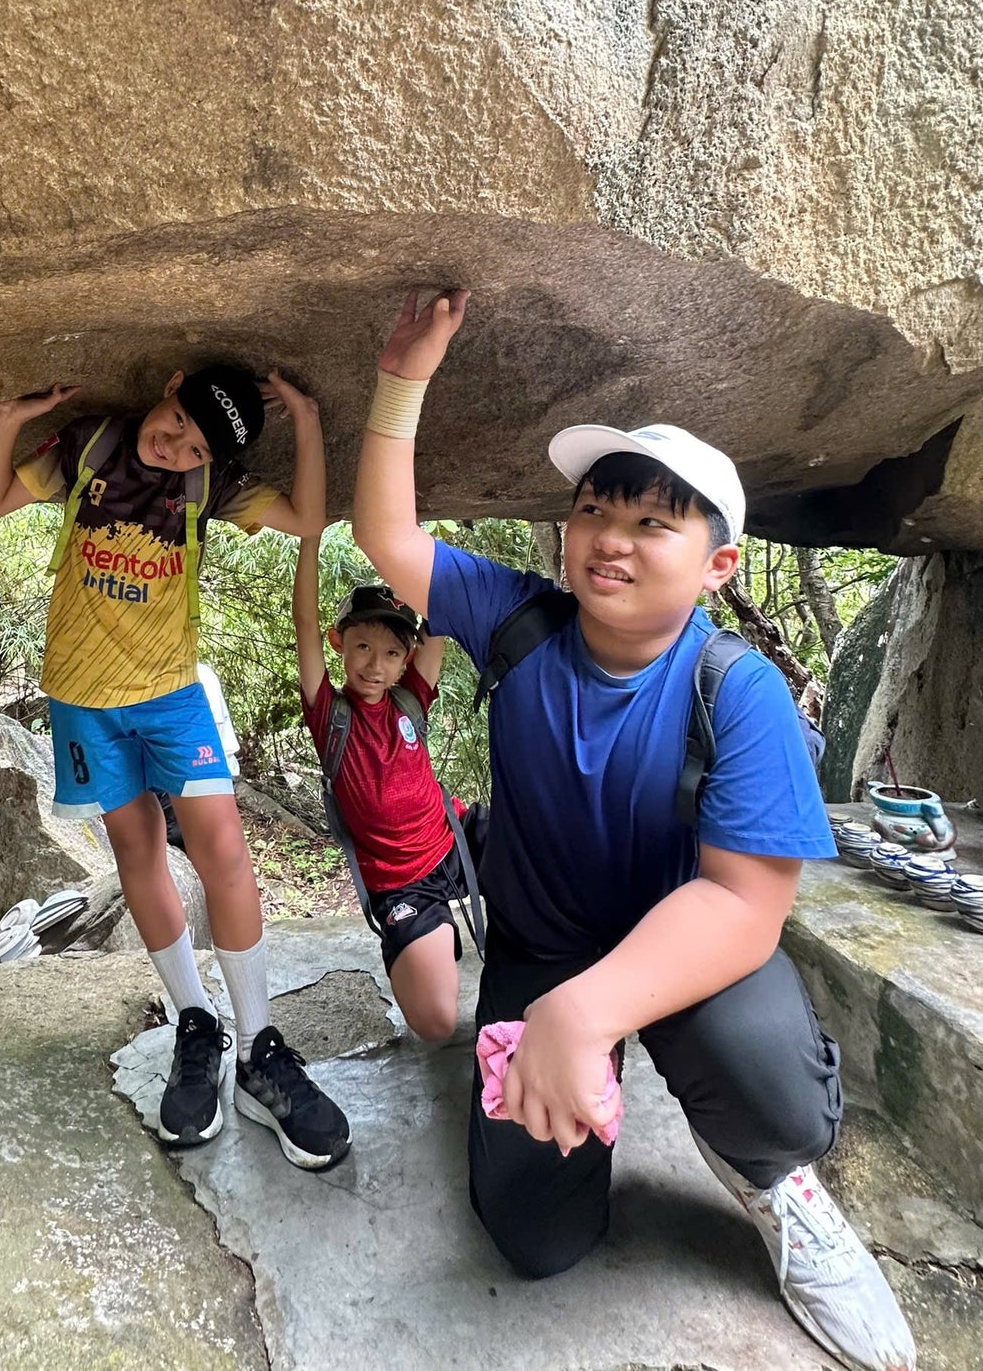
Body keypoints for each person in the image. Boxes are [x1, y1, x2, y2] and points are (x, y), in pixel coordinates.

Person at [350, 289, 914, 1371]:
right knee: (535, 1237)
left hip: (681, 963)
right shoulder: (517, 621)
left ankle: (775, 1183)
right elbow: (388, 536)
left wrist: (586, 1012)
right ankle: (583, 1075)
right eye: (593, 511)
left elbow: (743, 907)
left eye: (652, 522)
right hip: (541, 952)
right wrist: (401, 377)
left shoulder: (735, 690)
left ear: (716, 565)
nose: (609, 538)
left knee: (770, 1089)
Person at [0, 363, 351, 1171]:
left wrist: (308, 419)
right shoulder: (90, 446)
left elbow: (309, 516)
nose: (175, 446)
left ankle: (259, 1048)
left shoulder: (208, 487)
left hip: (172, 695)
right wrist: (7, 418)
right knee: (138, 852)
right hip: (82, 699)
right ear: (170, 385)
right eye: (177, 421)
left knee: (224, 851)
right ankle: (194, 1022)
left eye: (196, 448)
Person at [292, 536, 478, 1040]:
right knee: (437, 1024)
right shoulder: (330, 714)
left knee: (542, 838)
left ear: (406, 658)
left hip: (455, 839)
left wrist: (417, 540)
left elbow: (436, 617)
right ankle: (422, 939)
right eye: (364, 647)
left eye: (392, 653)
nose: (376, 666)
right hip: (401, 883)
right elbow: (304, 624)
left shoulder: (411, 698)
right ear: (339, 642)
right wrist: (310, 538)